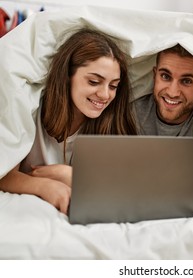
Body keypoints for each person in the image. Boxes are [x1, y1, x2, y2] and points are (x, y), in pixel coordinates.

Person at [0, 28, 137, 214]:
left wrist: (69, 176)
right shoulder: (29, 108)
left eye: (113, 86)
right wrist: (43, 186)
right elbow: (4, 174)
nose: (105, 95)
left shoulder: (112, 121)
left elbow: (123, 186)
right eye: (94, 82)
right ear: (67, 77)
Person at [133, 44, 193, 136]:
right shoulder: (129, 114)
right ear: (154, 76)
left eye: (186, 81)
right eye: (165, 76)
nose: (172, 93)